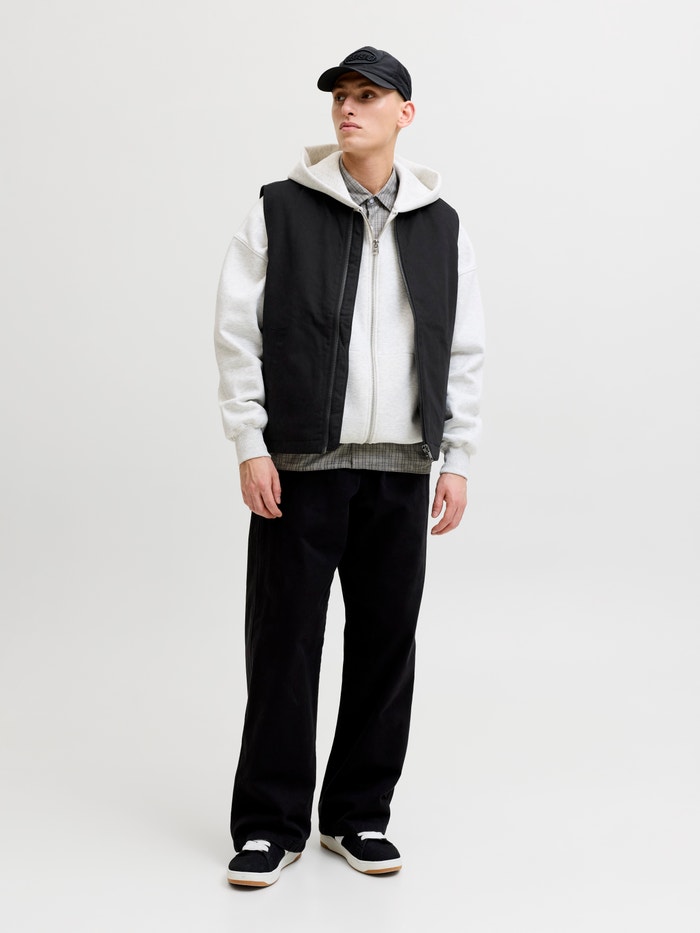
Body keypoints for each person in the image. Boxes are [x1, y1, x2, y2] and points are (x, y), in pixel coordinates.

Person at [214, 45, 485, 887]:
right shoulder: (280, 208)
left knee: (384, 647)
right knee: (283, 646)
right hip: (302, 464)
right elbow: (236, 333)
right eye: (340, 96)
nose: (347, 109)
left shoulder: (441, 224)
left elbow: (464, 346)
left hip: (402, 468)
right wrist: (251, 443)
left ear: (406, 112)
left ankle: (358, 815)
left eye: (368, 96)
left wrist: (458, 455)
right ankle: (270, 825)